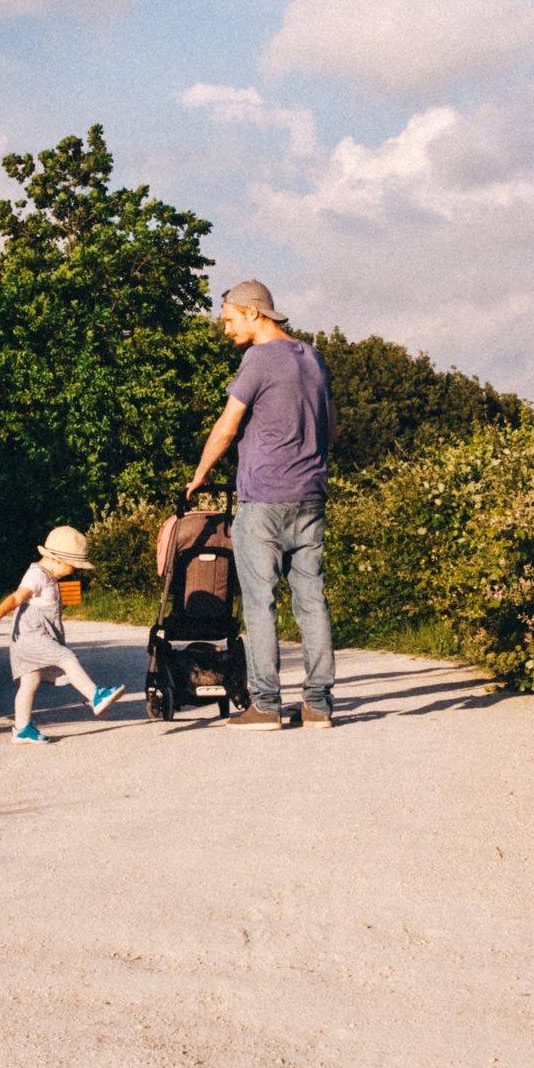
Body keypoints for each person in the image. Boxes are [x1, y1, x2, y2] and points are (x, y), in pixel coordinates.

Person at [186, 279, 337, 730]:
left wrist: (201, 472)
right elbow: (330, 426)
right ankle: (318, 706)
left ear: (253, 312)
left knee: (259, 604)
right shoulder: (313, 357)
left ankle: (266, 705)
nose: (226, 329)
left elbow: (228, 425)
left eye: (230, 320)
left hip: (264, 499)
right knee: (312, 602)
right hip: (311, 495)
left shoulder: (258, 358)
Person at [0, 526, 125, 745]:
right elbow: (16, 597)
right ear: (57, 559)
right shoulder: (37, 575)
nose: (73, 571)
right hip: (31, 636)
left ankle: (21, 729)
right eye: (72, 566)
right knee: (66, 657)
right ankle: (95, 695)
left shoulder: (48, 575)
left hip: (27, 639)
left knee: (30, 681)